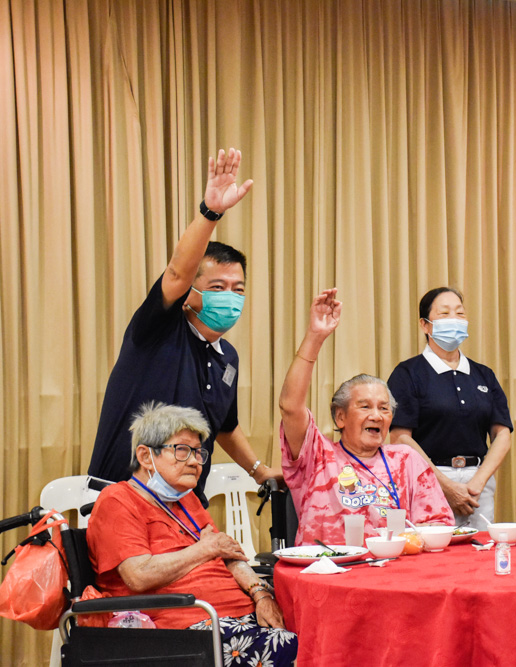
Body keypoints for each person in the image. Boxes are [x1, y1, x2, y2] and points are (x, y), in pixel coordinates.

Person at [88, 148, 280, 503]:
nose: (231, 298)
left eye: (238, 290)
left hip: (187, 501)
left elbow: (224, 425)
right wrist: (211, 213)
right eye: (217, 288)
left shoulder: (229, 358)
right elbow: (177, 272)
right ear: (189, 294)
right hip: (123, 498)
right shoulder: (157, 328)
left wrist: (258, 470)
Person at [87, 403, 297, 666]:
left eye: (198, 453)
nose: (196, 462)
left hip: (239, 615)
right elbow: (138, 575)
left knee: (322, 630)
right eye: (182, 450)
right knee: (299, 652)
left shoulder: (187, 499)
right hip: (185, 629)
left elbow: (230, 556)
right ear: (144, 456)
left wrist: (261, 594)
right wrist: (205, 549)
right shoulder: (117, 501)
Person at [278, 288, 454, 546]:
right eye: (364, 407)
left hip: (394, 572)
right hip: (331, 571)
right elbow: (291, 406)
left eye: (384, 408)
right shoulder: (318, 458)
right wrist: (315, 337)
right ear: (340, 417)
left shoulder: (406, 461)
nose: (377, 415)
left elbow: (438, 524)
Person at [387, 287, 513, 530]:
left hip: (478, 483)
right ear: (425, 325)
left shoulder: (483, 374)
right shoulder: (408, 373)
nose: (454, 319)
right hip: (429, 479)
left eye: (460, 313)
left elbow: (502, 435)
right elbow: (401, 438)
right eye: (444, 314)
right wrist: (444, 484)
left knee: (480, 555)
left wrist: (477, 482)